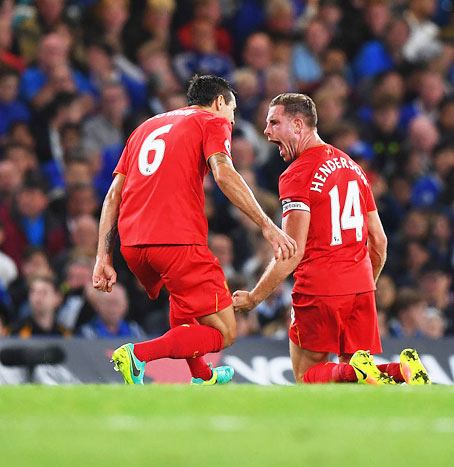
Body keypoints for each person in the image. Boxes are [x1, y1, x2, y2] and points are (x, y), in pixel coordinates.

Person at [93, 74, 297, 385]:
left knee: (184, 308)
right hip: (176, 242)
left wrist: (102, 258)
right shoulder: (211, 121)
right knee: (225, 331)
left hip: (133, 245)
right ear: (218, 103)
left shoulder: (144, 128)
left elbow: (112, 196)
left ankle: (201, 375)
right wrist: (267, 225)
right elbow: (224, 173)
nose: (232, 117)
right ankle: (138, 354)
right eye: (232, 109)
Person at [232, 93, 430, 385]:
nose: (266, 131)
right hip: (360, 285)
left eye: (274, 122)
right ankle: (399, 370)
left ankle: (366, 371)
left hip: (320, 288)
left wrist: (254, 297)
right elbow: (380, 240)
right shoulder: (354, 168)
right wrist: (365, 283)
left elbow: (292, 250)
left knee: (307, 376)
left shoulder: (297, 174)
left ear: (298, 125)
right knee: (352, 385)